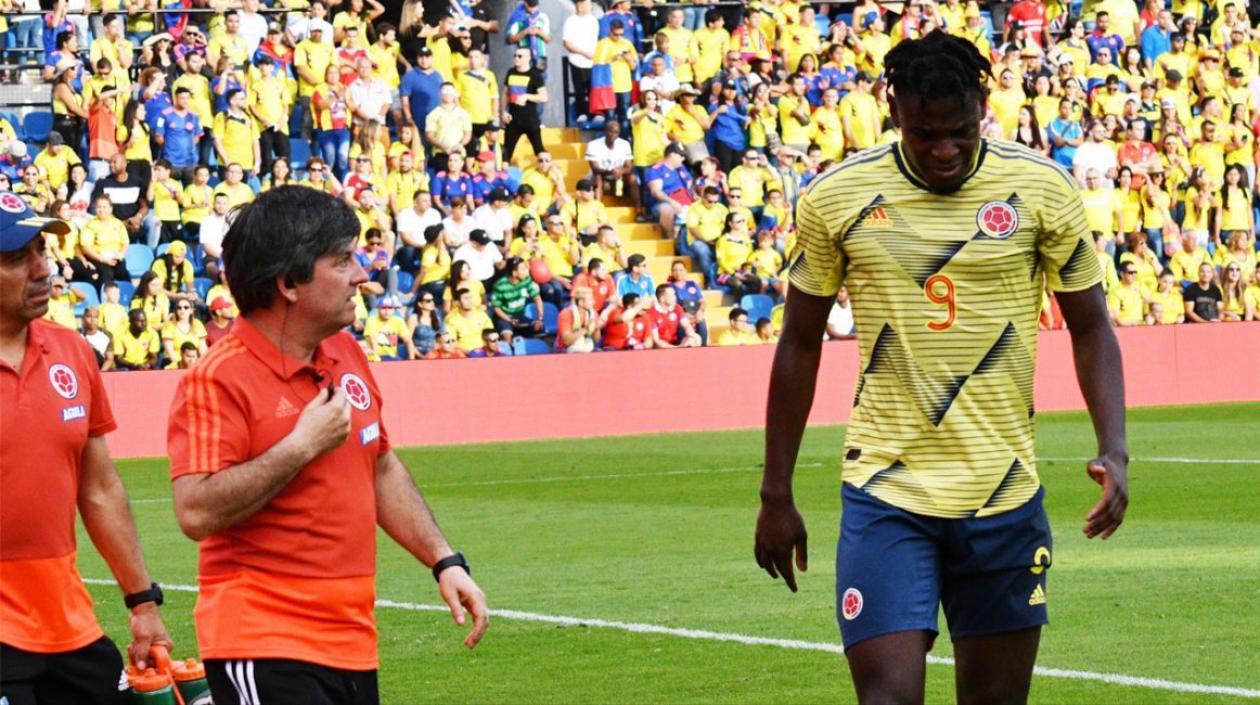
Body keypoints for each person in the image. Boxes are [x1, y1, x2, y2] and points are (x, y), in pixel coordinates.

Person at [755, 32, 1129, 705]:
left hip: (1004, 494)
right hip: (886, 493)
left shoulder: (1040, 189)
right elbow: (800, 342)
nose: (943, 150)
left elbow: (1092, 325)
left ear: (983, 105)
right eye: (925, 133)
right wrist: (774, 494)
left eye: (958, 131)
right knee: (888, 697)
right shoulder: (836, 198)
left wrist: (1116, 448)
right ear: (892, 109)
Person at [167, 186, 487, 705]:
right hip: (263, 640)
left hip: (352, 640)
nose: (362, 274)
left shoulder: (344, 352)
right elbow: (195, 510)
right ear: (289, 283)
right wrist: (298, 448)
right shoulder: (217, 378)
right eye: (342, 261)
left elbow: (379, 465)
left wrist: (444, 559)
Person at [0, 193, 172, 703]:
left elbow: (98, 489)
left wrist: (142, 603)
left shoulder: (73, 352)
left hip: (67, 624)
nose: (42, 270)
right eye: (16, 258)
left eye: (41, 251)